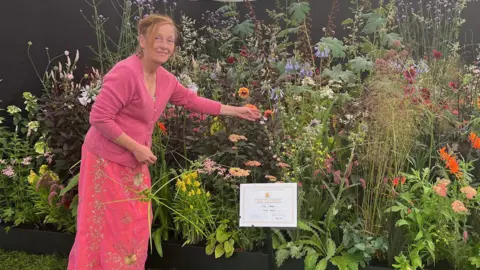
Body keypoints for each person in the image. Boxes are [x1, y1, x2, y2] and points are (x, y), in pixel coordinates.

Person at [67, 14, 261, 269]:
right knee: (106, 223)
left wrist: (236, 110)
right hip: (105, 160)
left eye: (170, 40)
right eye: (157, 38)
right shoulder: (125, 73)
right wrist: (136, 147)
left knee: (135, 222)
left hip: (134, 160)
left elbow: (193, 101)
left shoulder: (165, 79)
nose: (164, 45)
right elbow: (99, 117)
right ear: (142, 41)